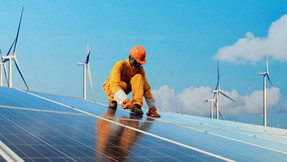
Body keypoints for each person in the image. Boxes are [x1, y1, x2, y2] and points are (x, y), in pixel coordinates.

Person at [103, 45, 160, 117]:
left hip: (124, 89)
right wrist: (124, 100)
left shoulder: (140, 70)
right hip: (110, 87)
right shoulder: (120, 65)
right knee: (123, 84)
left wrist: (152, 107)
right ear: (130, 57)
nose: (138, 65)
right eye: (136, 62)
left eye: (140, 63)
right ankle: (112, 100)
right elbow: (114, 84)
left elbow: (146, 88)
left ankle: (137, 105)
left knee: (139, 77)